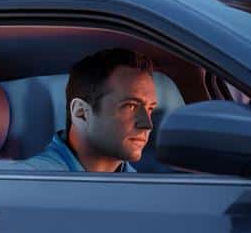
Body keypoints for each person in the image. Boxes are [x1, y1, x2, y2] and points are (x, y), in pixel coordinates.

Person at [25, 48, 158, 173]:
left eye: (150, 108)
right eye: (130, 106)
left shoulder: (144, 185)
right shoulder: (30, 180)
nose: (148, 125)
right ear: (81, 113)